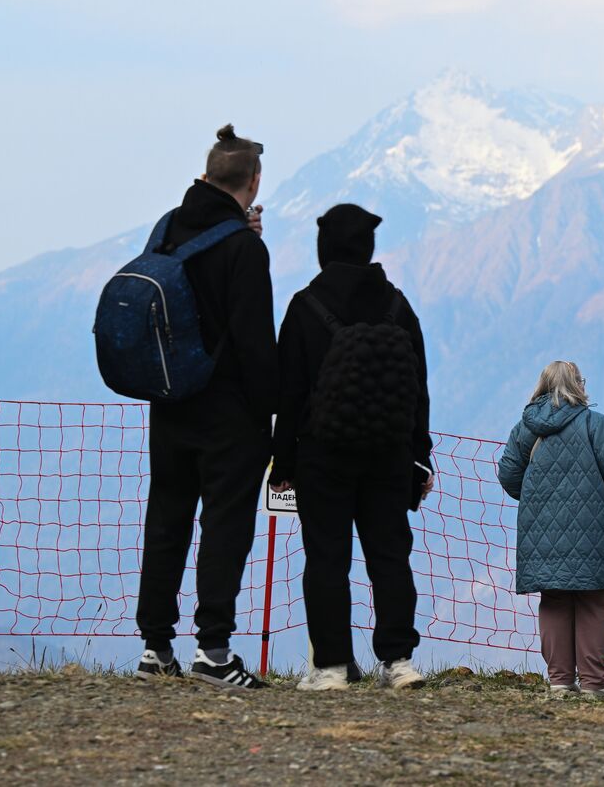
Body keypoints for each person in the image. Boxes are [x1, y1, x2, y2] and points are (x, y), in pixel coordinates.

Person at [268, 204, 434, 691]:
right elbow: (418, 390)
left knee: (326, 558)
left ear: (324, 249)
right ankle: (399, 661)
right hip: (388, 454)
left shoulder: (305, 305)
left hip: (323, 455)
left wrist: (283, 460)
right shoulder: (398, 306)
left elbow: (290, 393)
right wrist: (418, 456)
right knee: (389, 555)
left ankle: (333, 666)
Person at [135, 124, 277, 690]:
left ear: (206, 175)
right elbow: (253, 340)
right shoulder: (243, 248)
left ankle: (155, 647)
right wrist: (274, 416)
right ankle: (213, 651)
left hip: (169, 403)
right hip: (229, 413)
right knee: (225, 525)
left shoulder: (167, 229)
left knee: (167, 519)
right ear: (253, 181)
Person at [496, 361, 604, 696]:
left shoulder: (526, 429)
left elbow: (508, 475)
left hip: (542, 533)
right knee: (596, 601)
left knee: (554, 600)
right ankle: (595, 681)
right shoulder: (596, 424)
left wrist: (540, 499)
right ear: (579, 385)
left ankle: (560, 681)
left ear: (542, 386)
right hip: (598, 533)